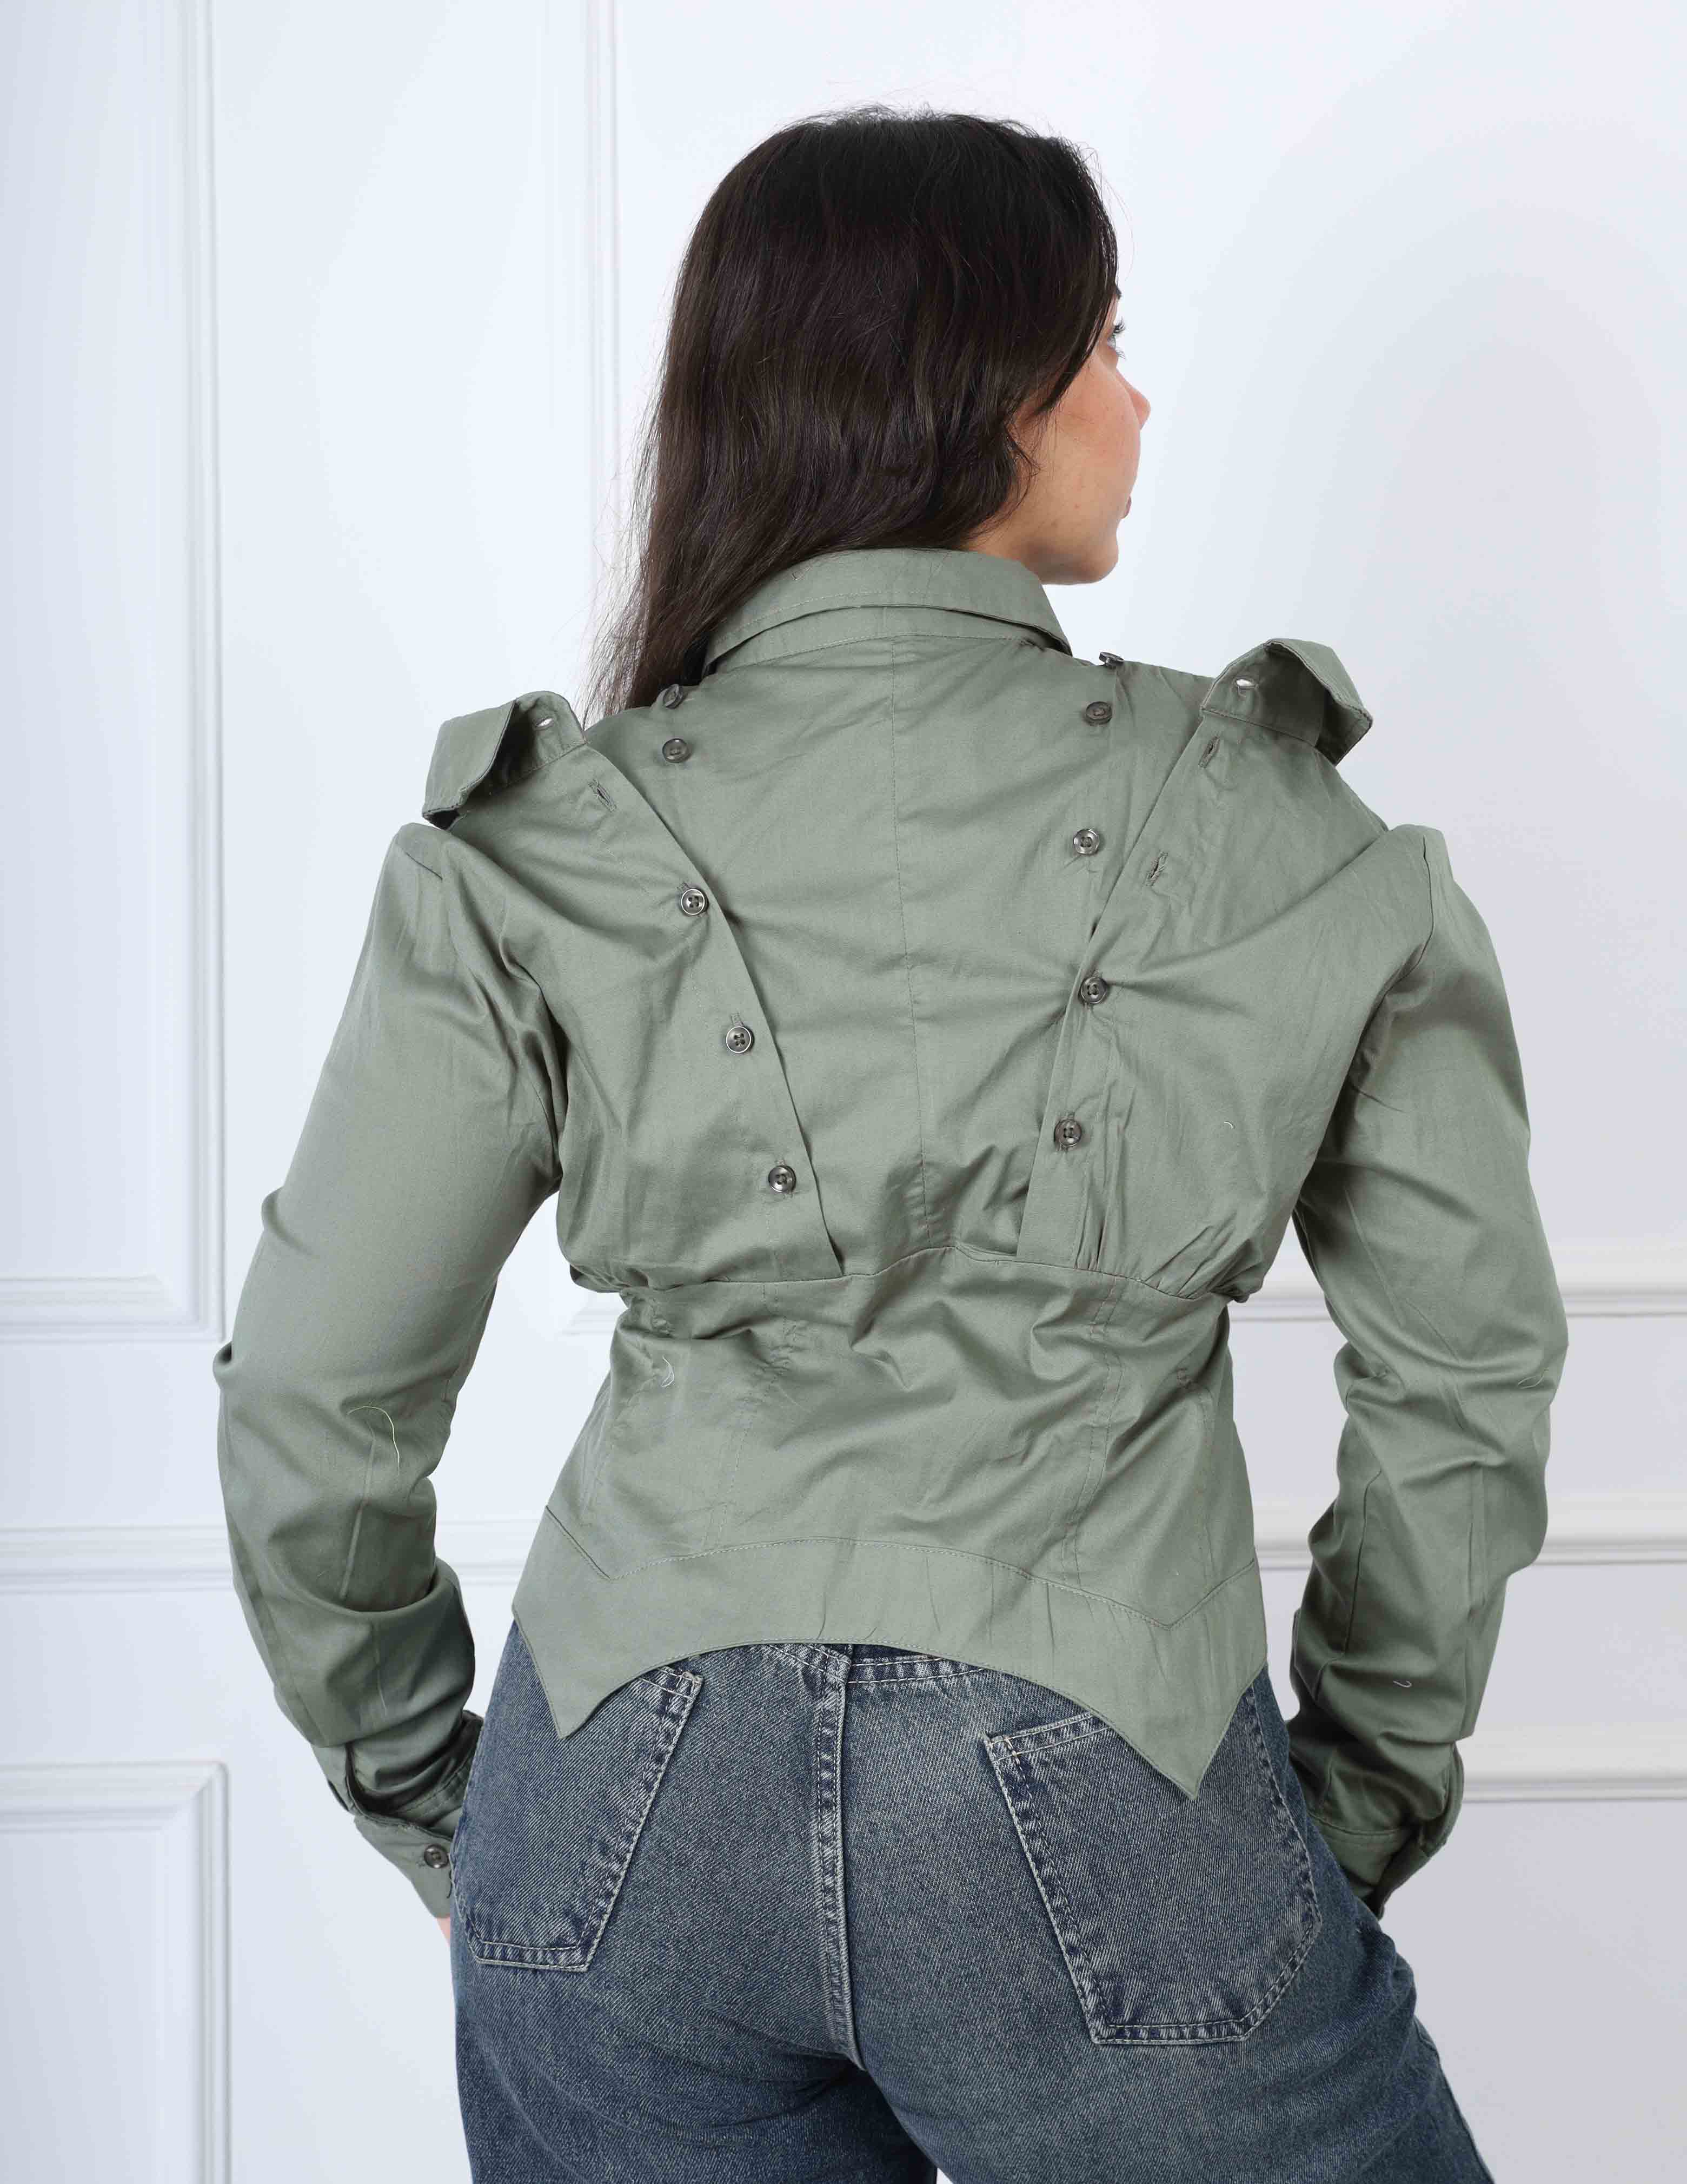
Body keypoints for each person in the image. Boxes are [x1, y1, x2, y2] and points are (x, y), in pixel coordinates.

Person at [212, 102, 1566, 2182]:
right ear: (980, 390)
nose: (1136, 399)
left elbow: (312, 1399)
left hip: (610, 1799)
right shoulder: (1283, 827)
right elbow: (1464, 1378)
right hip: (1109, 1774)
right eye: (1103, 344)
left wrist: (446, 1810)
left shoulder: (540, 839)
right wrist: (1354, 1802)